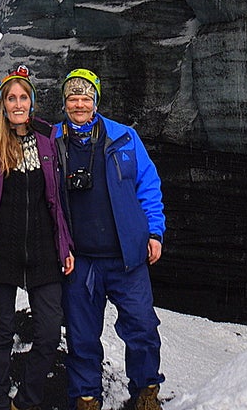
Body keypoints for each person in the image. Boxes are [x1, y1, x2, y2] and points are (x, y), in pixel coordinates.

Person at [0, 66, 75, 410]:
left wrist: (65, 245)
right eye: (12, 98)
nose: (18, 104)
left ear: (32, 102)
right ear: (2, 104)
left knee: (50, 333)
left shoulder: (48, 142)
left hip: (44, 253)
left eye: (23, 97)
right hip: (0, 252)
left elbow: (57, 201)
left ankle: (25, 401)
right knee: (1, 335)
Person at [55, 68, 165, 410]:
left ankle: (146, 393)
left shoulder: (125, 138)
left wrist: (154, 232)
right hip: (80, 259)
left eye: (85, 97)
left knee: (143, 328)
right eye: (72, 97)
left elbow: (148, 187)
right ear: (64, 102)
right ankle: (87, 398)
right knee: (82, 336)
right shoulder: (51, 140)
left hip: (126, 256)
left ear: (96, 101)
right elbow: (5, 132)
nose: (79, 104)